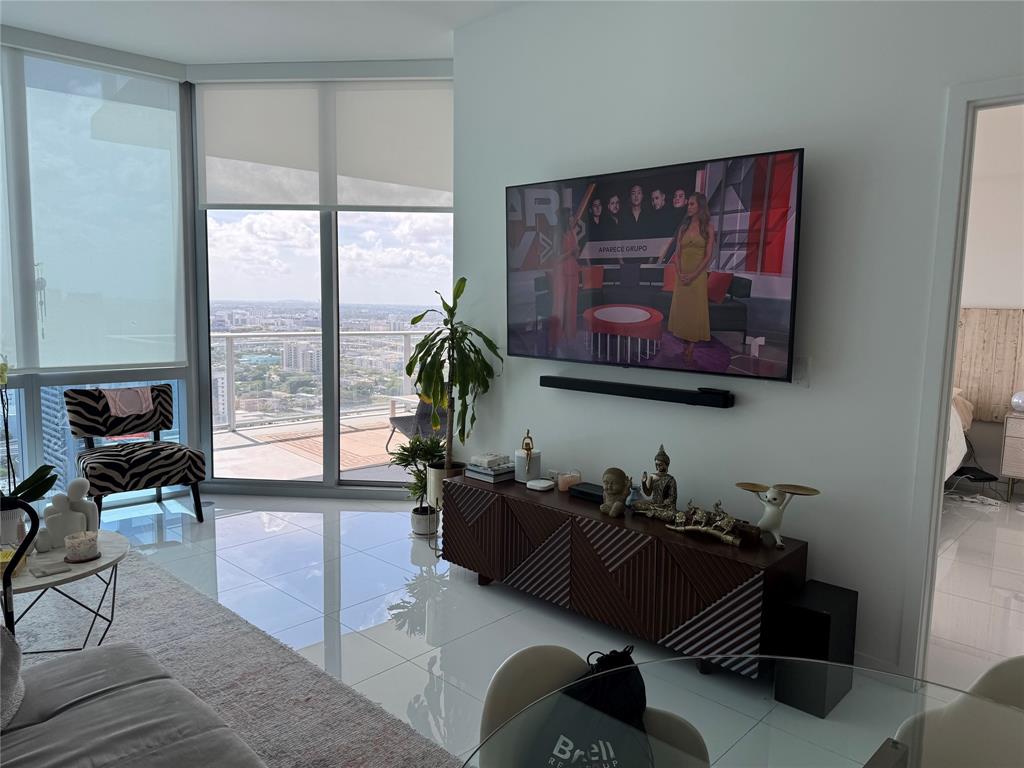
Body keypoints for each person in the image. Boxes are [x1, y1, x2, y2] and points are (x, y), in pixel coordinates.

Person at [667, 192, 715, 364]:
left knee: (694, 312)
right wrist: (679, 274)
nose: (689, 206)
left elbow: (708, 255)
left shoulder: (708, 227)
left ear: (700, 206)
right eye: (688, 204)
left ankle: (691, 348)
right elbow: (677, 254)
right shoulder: (683, 228)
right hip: (682, 275)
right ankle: (685, 344)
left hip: (698, 276)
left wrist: (694, 275)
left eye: (692, 204)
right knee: (684, 311)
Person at [548, 211, 581, 351]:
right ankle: (555, 339)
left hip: (573, 271)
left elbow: (577, 253)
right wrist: (570, 252)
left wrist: (575, 247)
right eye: (570, 217)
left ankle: (570, 336)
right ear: (565, 218)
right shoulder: (557, 234)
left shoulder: (572, 232)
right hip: (561, 273)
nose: (573, 219)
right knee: (559, 306)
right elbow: (556, 257)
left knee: (572, 305)